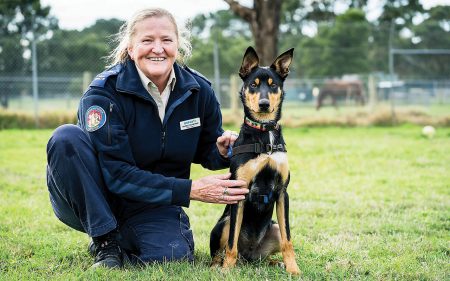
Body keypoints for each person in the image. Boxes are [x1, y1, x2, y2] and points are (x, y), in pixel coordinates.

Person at [46, 7, 248, 268]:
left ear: (178, 46)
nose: (158, 48)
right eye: (147, 40)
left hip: (155, 202)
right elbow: (117, 174)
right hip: (98, 196)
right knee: (66, 138)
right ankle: (105, 241)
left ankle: (123, 239)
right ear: (131, 48)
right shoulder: (103, 94)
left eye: (166, 40)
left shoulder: (199, 91)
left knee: (171, 256)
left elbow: (204, 149)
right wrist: (191, 190)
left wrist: (220, 151)